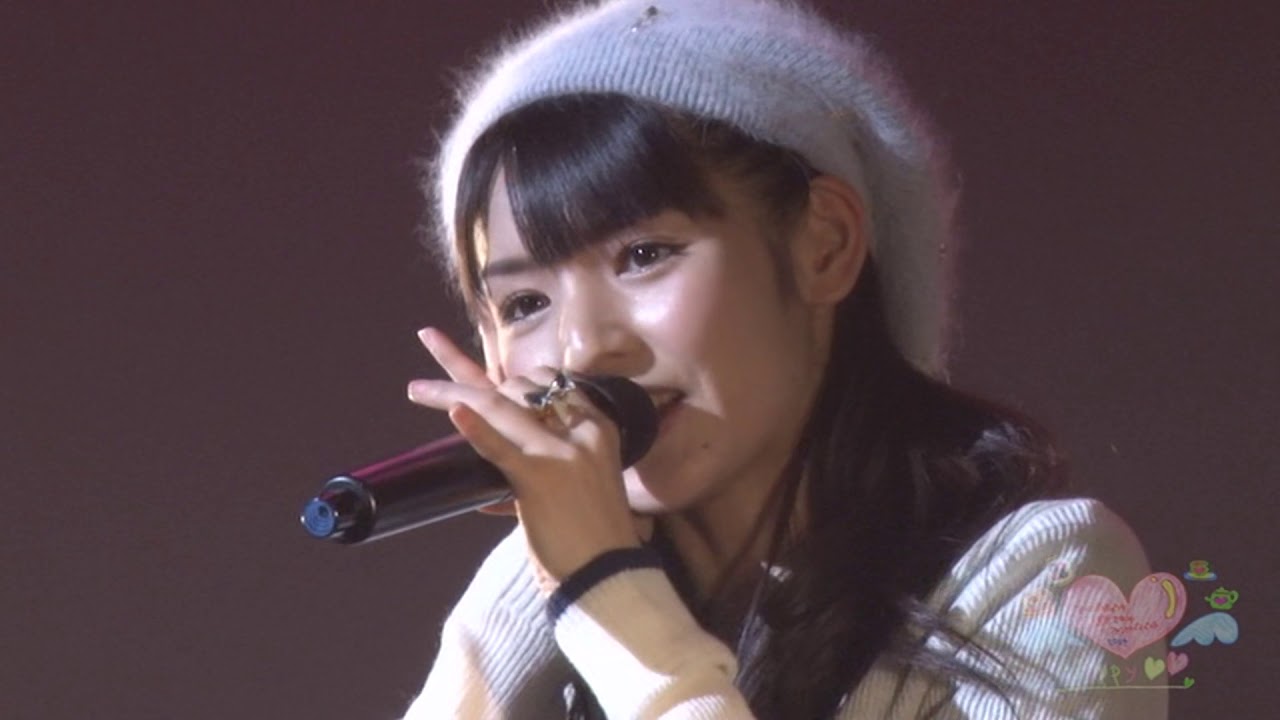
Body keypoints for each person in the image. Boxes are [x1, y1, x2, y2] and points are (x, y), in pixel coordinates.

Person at [401, 0, 1166, 717]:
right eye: (523, 304)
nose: (584, 348)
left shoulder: (1050, 576)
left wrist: (603, 586)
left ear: (824, 244)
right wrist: (537, 573)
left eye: (643, 255)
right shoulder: (552, 590)